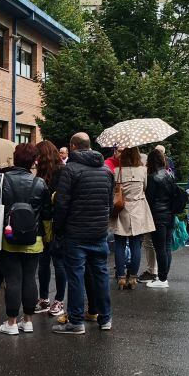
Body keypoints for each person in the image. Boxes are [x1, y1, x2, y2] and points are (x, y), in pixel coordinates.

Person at [0, 144, 50, 336]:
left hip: (7, 238)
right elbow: (47, 214)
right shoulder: (40, 183)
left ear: (15, 158)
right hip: (33, 240)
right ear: (33, 161)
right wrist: (48, 238)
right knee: (30, 279)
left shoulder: (1, 180)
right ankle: (27, 321)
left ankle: (11, 323)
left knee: (13, 280)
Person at [52, 133, 114, 334]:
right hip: (99, 232)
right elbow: (109, 203)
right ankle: (106, 318)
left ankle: (76, 321)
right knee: (101, 275)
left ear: (72, 146)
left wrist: (58, 230)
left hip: (76, 233)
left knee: (76, 277)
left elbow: (61, 204)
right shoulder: (106, 170)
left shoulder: (70, 170)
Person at [110, 146, 154, 290]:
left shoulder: (117, 172)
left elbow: (113, 192)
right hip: (138, 210)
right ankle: (133, 278)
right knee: (136, 245)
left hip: (122, 209)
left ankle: (121, 277)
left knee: (120, 245)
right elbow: (145, 188)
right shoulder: (142, 171)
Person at [35, 140, 67, 316]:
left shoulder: (62, 172)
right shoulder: (41, 174)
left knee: (58, 262)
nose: (36, 159)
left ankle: (59, 300)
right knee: (43, 262)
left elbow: (61, 200)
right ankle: (44, 298)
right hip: (44, 222)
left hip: (57, 223)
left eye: (38, 156)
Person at [144, 148, 179, 288]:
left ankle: (162, 279)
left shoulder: (152, 177)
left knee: (159, 248)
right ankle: (164, 276)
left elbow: (150, 199)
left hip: (157, 216)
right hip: (170, 214)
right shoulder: (170, 175)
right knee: (167, 246)